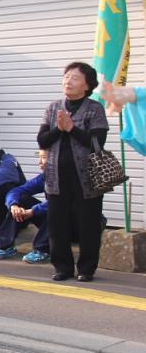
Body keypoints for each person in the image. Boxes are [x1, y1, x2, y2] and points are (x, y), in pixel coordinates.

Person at [37, 62, 108, 282]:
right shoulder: (53, 107)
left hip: (87, 177)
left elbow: (97, 143)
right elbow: (42, 140)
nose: (68, 81)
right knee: (57, 225)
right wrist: (59, 128)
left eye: (75, 78)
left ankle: (86, 269)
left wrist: (71, 128)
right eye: (66, 77)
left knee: (88, 223)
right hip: (56, 176)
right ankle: (62, 268)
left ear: (87, 85)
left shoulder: (94, 108)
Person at [0, 150, 51, 262]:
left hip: (72, 227)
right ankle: (5, 246)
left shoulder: (70, 178)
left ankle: (43, 250)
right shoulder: (45, 177)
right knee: (21, 199)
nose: (40, 162)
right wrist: (14, 206)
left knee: (58, 209)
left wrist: (32, 211)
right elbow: (17, 191)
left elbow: (59, 202)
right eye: (39, 157)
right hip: (53, 223)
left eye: (44, 157)